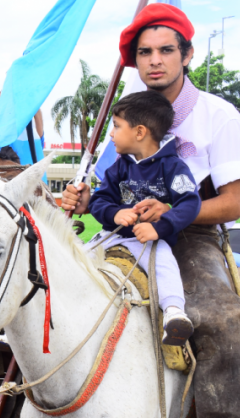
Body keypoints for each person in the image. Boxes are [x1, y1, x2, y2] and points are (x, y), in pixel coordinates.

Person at [60, 4, 240, 418]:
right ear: (134, 60)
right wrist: (86, 202)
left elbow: (236, 201)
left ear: (187, 54)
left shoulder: (219, 116)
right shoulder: (124, 119)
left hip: (191, 239)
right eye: (144, 52)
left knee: (225, 327)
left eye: (166, 50)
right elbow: (107, 192)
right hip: (124, 236)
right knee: (45, 296)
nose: (154, 60)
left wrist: (170, 211)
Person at [88, 91, 200, 344]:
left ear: (139, 132)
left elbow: (190, 203)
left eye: (116, 126)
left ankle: (174, 314)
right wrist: (115, 213)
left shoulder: (173, 167)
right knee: (79, 257)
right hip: (112, 237)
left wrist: (160, 229)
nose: (111, 134)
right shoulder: (119, 167)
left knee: (165, 265)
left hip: (151, 242)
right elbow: (99, 201)